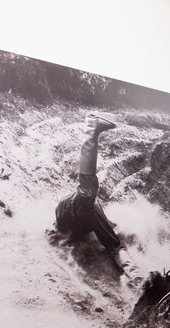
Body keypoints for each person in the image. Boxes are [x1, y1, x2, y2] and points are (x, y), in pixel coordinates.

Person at [54, 114, 138, 280]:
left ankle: (93, 129)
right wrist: (135, 275)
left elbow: (114, 246)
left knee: (88, 194)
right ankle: (92, 128)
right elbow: (115, 248)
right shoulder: (91, 208)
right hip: (68, 209)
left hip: (71, 214)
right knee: (88, 193)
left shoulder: (98, 219)